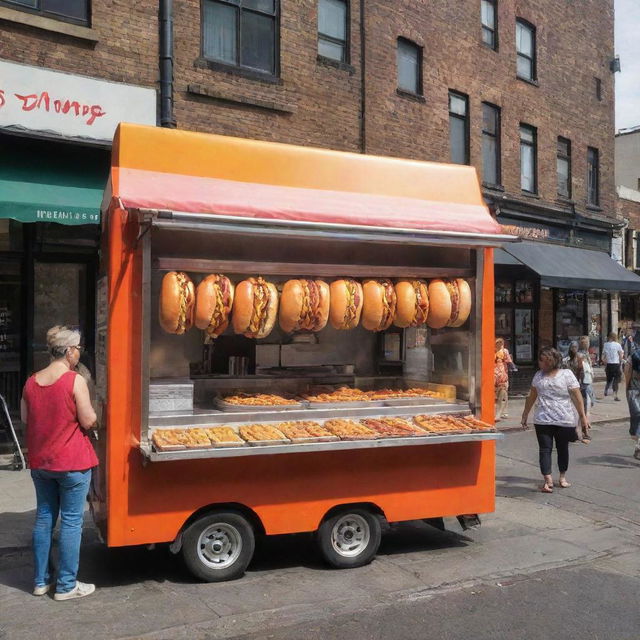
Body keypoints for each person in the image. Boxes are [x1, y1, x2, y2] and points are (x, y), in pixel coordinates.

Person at [20, 325, 98, 601]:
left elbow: (27, 419)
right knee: (71, 523)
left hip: (41, 463)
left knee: (44, 519)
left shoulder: (31, 381)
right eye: (77, 349)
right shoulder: (74, 380)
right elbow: (88, 420)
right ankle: (66, 585)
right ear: (68, 351)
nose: (78, 353)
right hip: (72, 463)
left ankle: (41, 581)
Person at [521, 346, 590, 493]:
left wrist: (583, 417)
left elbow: (577, 397)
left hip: (563, 419)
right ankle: (548, 479)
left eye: (541, 360)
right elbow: (532, 396)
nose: (539, 363)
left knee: (562, 448)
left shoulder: (566, 374)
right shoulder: (538, 376)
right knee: (545, 449)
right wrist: (525, 413)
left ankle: (562, 477)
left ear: (549, 361)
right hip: (543, 419)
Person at [624, 346, 640, 460]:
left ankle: (638, 444)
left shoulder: (634, 355)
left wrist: (627, 386)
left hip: (634, 388)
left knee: (636, 416)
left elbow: (627, 371)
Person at [494, 338, 513, 421]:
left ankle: (502, 412)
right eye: (498, 343)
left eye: (501, 343)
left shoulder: (504, 351)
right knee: (496, 396)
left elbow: (509, 361)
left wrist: (512, 366)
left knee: (503, 395)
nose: (500, 344)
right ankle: (497, 413)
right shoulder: (493, 351)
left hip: (502, 375)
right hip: (494, 375)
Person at [602, 332, 624, 401]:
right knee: (616, 380)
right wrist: (620, 364)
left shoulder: (605, 345)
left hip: (609, 364)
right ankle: (615, 395)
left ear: (609, 337)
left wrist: (605, 364)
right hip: (616, 364)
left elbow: (603, 357)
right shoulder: (618, 345)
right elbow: (620, 356)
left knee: (609, 379)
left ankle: (606, 390)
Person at [578, 336, 595, 418]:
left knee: (587, 399)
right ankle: (584, 418)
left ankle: (584, 416)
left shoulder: (585, 353)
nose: (588, 344)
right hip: (585, 380)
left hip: (586, 380)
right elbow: (583, 369)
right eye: (587, 342)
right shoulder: (581, 355)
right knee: (587, 400)